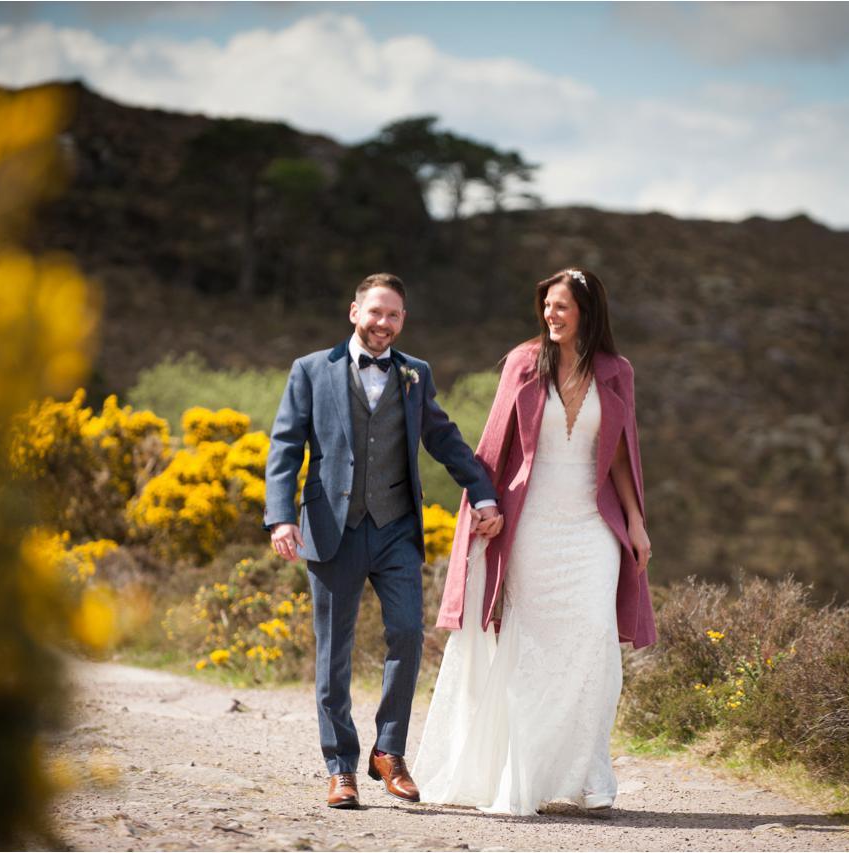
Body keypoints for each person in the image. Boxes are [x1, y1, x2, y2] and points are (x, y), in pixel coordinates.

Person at [413, 267, 657, 815]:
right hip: (532, 522)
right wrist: (484, 503)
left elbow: (621, 452)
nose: (551, 315)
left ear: (587, 314)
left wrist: (636, 523)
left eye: (562, 307)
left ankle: (590, 774)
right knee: (531, 644)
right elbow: (494, 442)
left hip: (593, 523)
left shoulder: (618, 372)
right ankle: (523, 770)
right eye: (546, 306)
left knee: (594, 638)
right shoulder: (524, 363)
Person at [264, 273, 503, 810]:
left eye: (394, 315)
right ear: (355, 312)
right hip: (331, 530)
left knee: (407, 635)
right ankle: (339, 766)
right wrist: (281, 517)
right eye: (375, 312)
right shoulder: (309, 371)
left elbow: (443, 438)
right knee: (335, 653)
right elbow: (284, 446)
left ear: (403, 321)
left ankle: (389, 751)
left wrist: (483, 494)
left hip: (396, 529)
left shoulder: (415, 374)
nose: (383, 323)